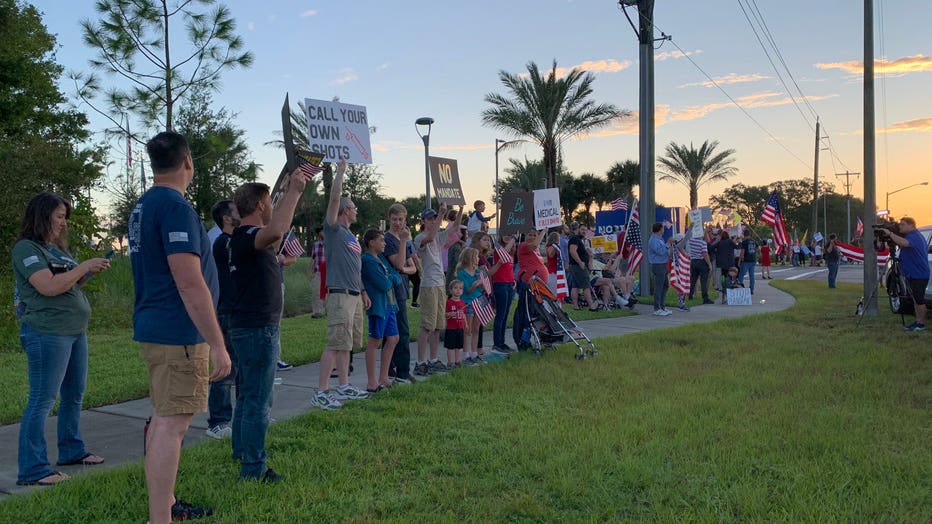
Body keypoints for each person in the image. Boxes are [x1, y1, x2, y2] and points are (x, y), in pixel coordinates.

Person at [129, 131, 231, 522]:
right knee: (173, 424)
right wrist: (217, 344)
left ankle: (167, 504)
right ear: (188, 161)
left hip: (156, 326)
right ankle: (161, 517)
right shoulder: (175, 207)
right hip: (178, 333)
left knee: (164, 418)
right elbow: (189, 281)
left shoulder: (144, 205)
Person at [12, 193, 110, 487]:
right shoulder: (26, 249)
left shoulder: (55, 250)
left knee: (74, 394)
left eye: (65, 216)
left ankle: (71, 450)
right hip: (47, 332)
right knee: (43, 399)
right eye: (58, 216)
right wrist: (83, 266)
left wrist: (88, 270)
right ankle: (33, 469)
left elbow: (70, 282)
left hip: (74, 331)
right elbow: (48, 286)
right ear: (42, 216)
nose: (63, 222)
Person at [227, 170, 309, 483]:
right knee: (259, 398)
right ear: (260, 206)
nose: (270, 206)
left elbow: (274, 232)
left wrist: (287, 192)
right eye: (268, 202)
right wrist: (296, 191)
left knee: (247, 394)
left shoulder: (241, 239)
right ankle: (253, 468)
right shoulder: (250, 237)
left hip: (246, 325)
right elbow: (276, 231)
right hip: (258, 327)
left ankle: (242, 450)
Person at [310, 159, 371, 409]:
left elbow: (354, 267)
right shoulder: (333, 229)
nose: (356, 211)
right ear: (346, 210)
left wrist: (362, 292)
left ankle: (344, 385)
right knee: (335, 342)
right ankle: (322, 391)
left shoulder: (350, 236)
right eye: (354, 207)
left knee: (347, 343)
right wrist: (341, 171)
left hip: (354, 295)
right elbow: (334, 199)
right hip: (339, 295)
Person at [414, 203, 463, 376]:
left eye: (434, 218)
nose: (433, 221)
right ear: (423, 221)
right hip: (428, 284)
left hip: (440, 284)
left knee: (437, 326)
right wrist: (442, 213)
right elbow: (431, 235)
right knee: (427, 325)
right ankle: (420, 362)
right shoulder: (420, 238)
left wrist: (461, 208)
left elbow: (456, 227)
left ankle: (433, 359)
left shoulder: (438, 237)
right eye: (429, 218)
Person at [205, 200, 240, 441]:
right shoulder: (222, 243)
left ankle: (242, 416)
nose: (241, 213)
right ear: (227, 218)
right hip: (226, 310)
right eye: (236, 210)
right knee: (225, 369)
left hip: (237, 310)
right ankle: (218, 421)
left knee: (240, 367)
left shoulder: (232, 241)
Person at [360, 228, 400, 392]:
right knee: (375, 340)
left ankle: (384, 376)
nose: (384, 243)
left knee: (393, 338)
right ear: (371, 242)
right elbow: (384, 284)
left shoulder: (381, 259)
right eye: (381, 240)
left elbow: (396, 277)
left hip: (390, 304)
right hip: (379, 306)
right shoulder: (368, 261)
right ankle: (372, 381)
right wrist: (390, 278)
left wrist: (390, 277)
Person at [383, 204, 418, 385]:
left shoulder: (403, 239)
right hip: (391, 293)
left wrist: (403, 267)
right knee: (395, 333)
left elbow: (412, 267)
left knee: (401, 332)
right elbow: (397, 263)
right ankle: (399, 372)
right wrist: (403, 242)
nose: (397, 223)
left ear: (405, 220)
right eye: (394, 219)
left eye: (401, 219)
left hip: (402, 290)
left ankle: (399, 370)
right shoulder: (388, 240)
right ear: (389, 219)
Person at [886, 217, 929, 332]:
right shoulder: (911, 235)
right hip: (913, 273)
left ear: (911, 225)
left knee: (919, 299)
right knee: (915, 299)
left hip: (919, 274)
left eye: (903, 225)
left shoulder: (914, 236)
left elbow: (904, 243)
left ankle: (921, 324)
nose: (900, 227)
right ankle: (918, 322)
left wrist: (890, 234)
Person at [455, 247, 485, 365]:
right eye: (476, 256)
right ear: (470, 258)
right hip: (468, 303)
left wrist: (482, 284)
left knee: (476, 328)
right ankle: (466, 354)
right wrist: (475, 284)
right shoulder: (462, 273)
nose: (478, 258)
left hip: (478, 301)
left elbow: (482, 289)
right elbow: (467, 290)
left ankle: (474, 353)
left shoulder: (478, 272)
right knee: (467, 329)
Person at [489, 233, 516, 353]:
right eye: (505, 233)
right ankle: (497, 343)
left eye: (509, 235)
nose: (507, 236)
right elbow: (504, 255)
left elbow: (509, 268)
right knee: (500, 315)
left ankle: (502, 342)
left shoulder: (511, 252)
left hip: (509, 284)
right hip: (500, 285)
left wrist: (513, 280)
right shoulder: (498, 250)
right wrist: (514, 238)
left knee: (505, 315)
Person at [567, 225, 596, 311]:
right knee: (586, 286)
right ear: (577, 229)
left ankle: (576, 306)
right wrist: (580, 262)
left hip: (575, 266)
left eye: (585, 230)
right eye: (582, 229)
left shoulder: (578, 240)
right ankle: (591, 306)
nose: (584, 231)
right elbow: (572, 251)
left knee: (575, 286)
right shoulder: (575, 239)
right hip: (578, 266)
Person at [648, 222, 673, 316]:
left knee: (665, 285)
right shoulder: (653, 240)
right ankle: (657, 308)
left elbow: (665, 252)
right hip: (657, 265)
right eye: (663, 228)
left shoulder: (659, 239)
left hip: (663, 264)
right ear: (659, 230)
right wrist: (668, 244)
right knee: (659, 287)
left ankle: (662, 306)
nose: (664, 230)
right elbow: (660, 252)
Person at [444, 280, 467, 367]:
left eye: (460, 288)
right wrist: (450, 314)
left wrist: (466, 324)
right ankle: (450, 362)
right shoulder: (448, 302)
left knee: (459, 346)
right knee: (451, 346)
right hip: (451, 328)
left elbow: (463, 314)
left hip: (460, 328)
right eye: (456, 288)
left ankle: (457, 361)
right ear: (450, 290)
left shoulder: (462, 303)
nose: (458, 290)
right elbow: (445, 315)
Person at [687, 230, 714, 304]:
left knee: (693, 280)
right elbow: (705, 254)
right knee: (703, 281)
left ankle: (690, 295)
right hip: (701, 262)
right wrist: (709, 264)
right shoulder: (703, 243)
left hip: (693, 261)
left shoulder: (691, 240)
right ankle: (705, 298)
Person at [307, 227, 326, 318]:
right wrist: (310, 272)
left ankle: (330, 311)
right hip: (318, 272)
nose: (322, 233)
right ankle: (317, 312)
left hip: (330, 272)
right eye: (320, 231)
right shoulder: (316, 245)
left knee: (330, 293)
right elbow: (313, 259)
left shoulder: (333, 244)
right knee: (316, 292)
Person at [737, 229, 758, 294]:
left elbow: (742, 252)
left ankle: (740, 288)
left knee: (741, 275)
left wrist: (739, 261)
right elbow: (757, 248)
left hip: (746, 260)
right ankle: (751, 289)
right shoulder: (753, 241)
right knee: (751, 275)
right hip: (753, 260)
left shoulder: (744, 242)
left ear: (744, 234)